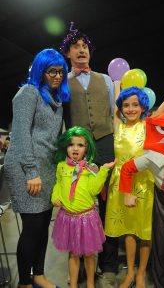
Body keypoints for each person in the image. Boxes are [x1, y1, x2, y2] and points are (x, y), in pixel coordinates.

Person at [104, 77, 164, 288]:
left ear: (142, 107)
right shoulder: (118, 125)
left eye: (135, 105)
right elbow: (114, 104)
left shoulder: (149, 124)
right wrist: (116, 84)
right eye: (126, 105)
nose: (130, 109)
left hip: (145, 184)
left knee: (145, 231)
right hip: (123, 184)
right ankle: (129, 273)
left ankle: (140, 274)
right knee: (128, 230)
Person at [4, 48, 70, 288]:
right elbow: (20, 136)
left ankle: (39, 274)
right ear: (41, 70)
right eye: (51, 71)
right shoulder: (28, 93)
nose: (57, 76)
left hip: (47, 167)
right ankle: (24, 282)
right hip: (25, 166)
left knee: (43, 225)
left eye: (61, 71)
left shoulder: (57, 100)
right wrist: (31, 172)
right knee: (32, 227)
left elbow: (51, 140)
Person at [60, 22, 117, 287]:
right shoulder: (62, 81)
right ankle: (81, 263)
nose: (81, 50)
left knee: (108, 202)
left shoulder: (105, 79)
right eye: (76, 47)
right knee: (79, 204)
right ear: (68, 53)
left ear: (89, 52)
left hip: (105, 143)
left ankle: (108, 263)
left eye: (85, 47)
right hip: (79, 148)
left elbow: (112, 114)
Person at [51, 126, 116, 288]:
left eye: (80, 145)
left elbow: (94, 189)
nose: (75, 148)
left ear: (87, 149)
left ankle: (90, 283)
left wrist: (103, 172)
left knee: (89, 254)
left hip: (87, 218)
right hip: (68, 218)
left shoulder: (91, 168)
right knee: (72, 253)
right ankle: (73, 284)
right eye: (71, 144)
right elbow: (58, 184)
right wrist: (55, 196)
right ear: (65, 146)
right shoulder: (61, 166)